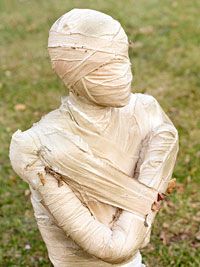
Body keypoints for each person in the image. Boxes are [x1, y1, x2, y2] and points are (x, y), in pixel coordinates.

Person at [9, 9, 179, 267]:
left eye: (122, 58)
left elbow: (128, 243)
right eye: (102, 68)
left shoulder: (145, 113)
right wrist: (143, 197)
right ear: (70, 72)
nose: (122, 74)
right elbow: (113, 248)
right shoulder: (40, 146)